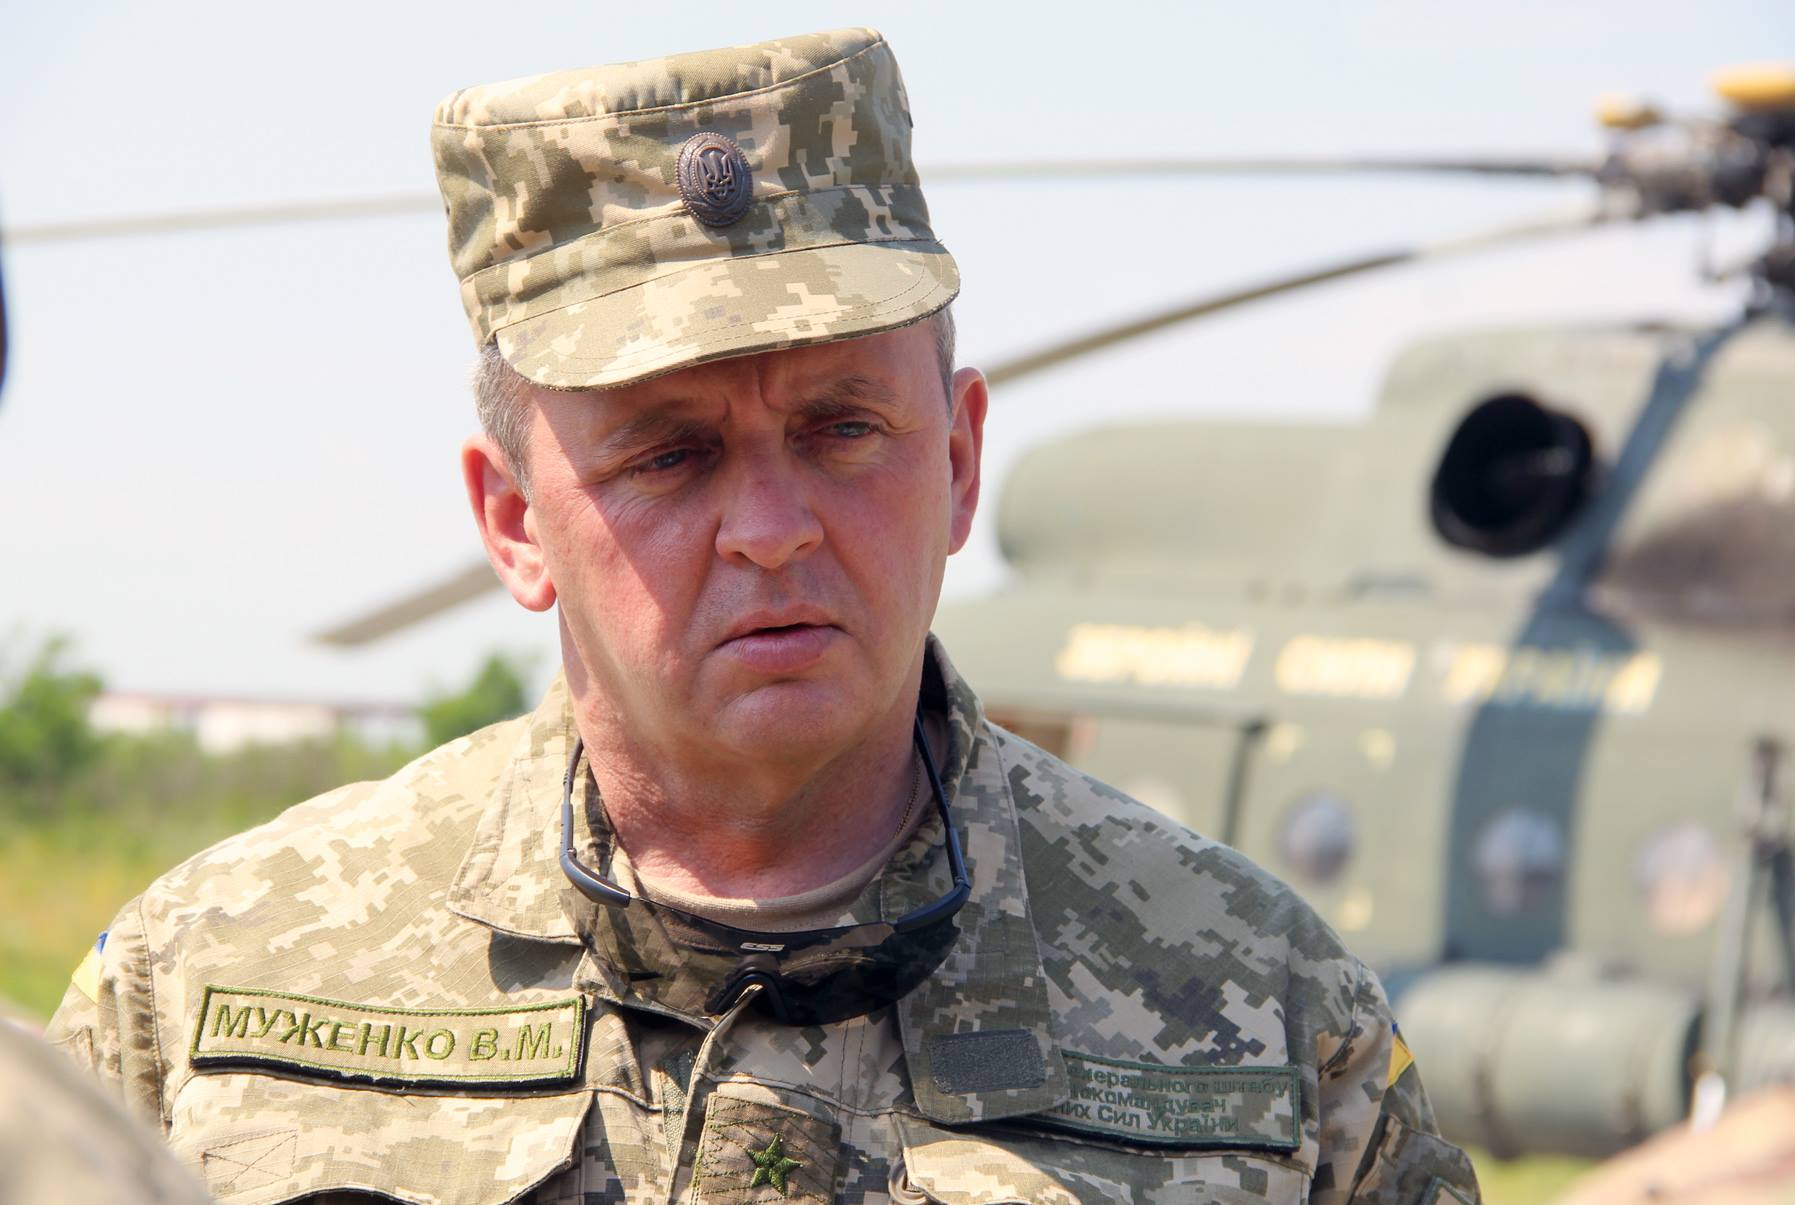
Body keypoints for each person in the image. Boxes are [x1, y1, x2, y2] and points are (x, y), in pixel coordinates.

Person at [46, 27, 1479, 1203]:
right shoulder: (208, 991)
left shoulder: (1267, 1010)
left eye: (844, 428)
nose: (774, 527)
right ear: (513, 521)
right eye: (669, 455)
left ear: (959, 463)